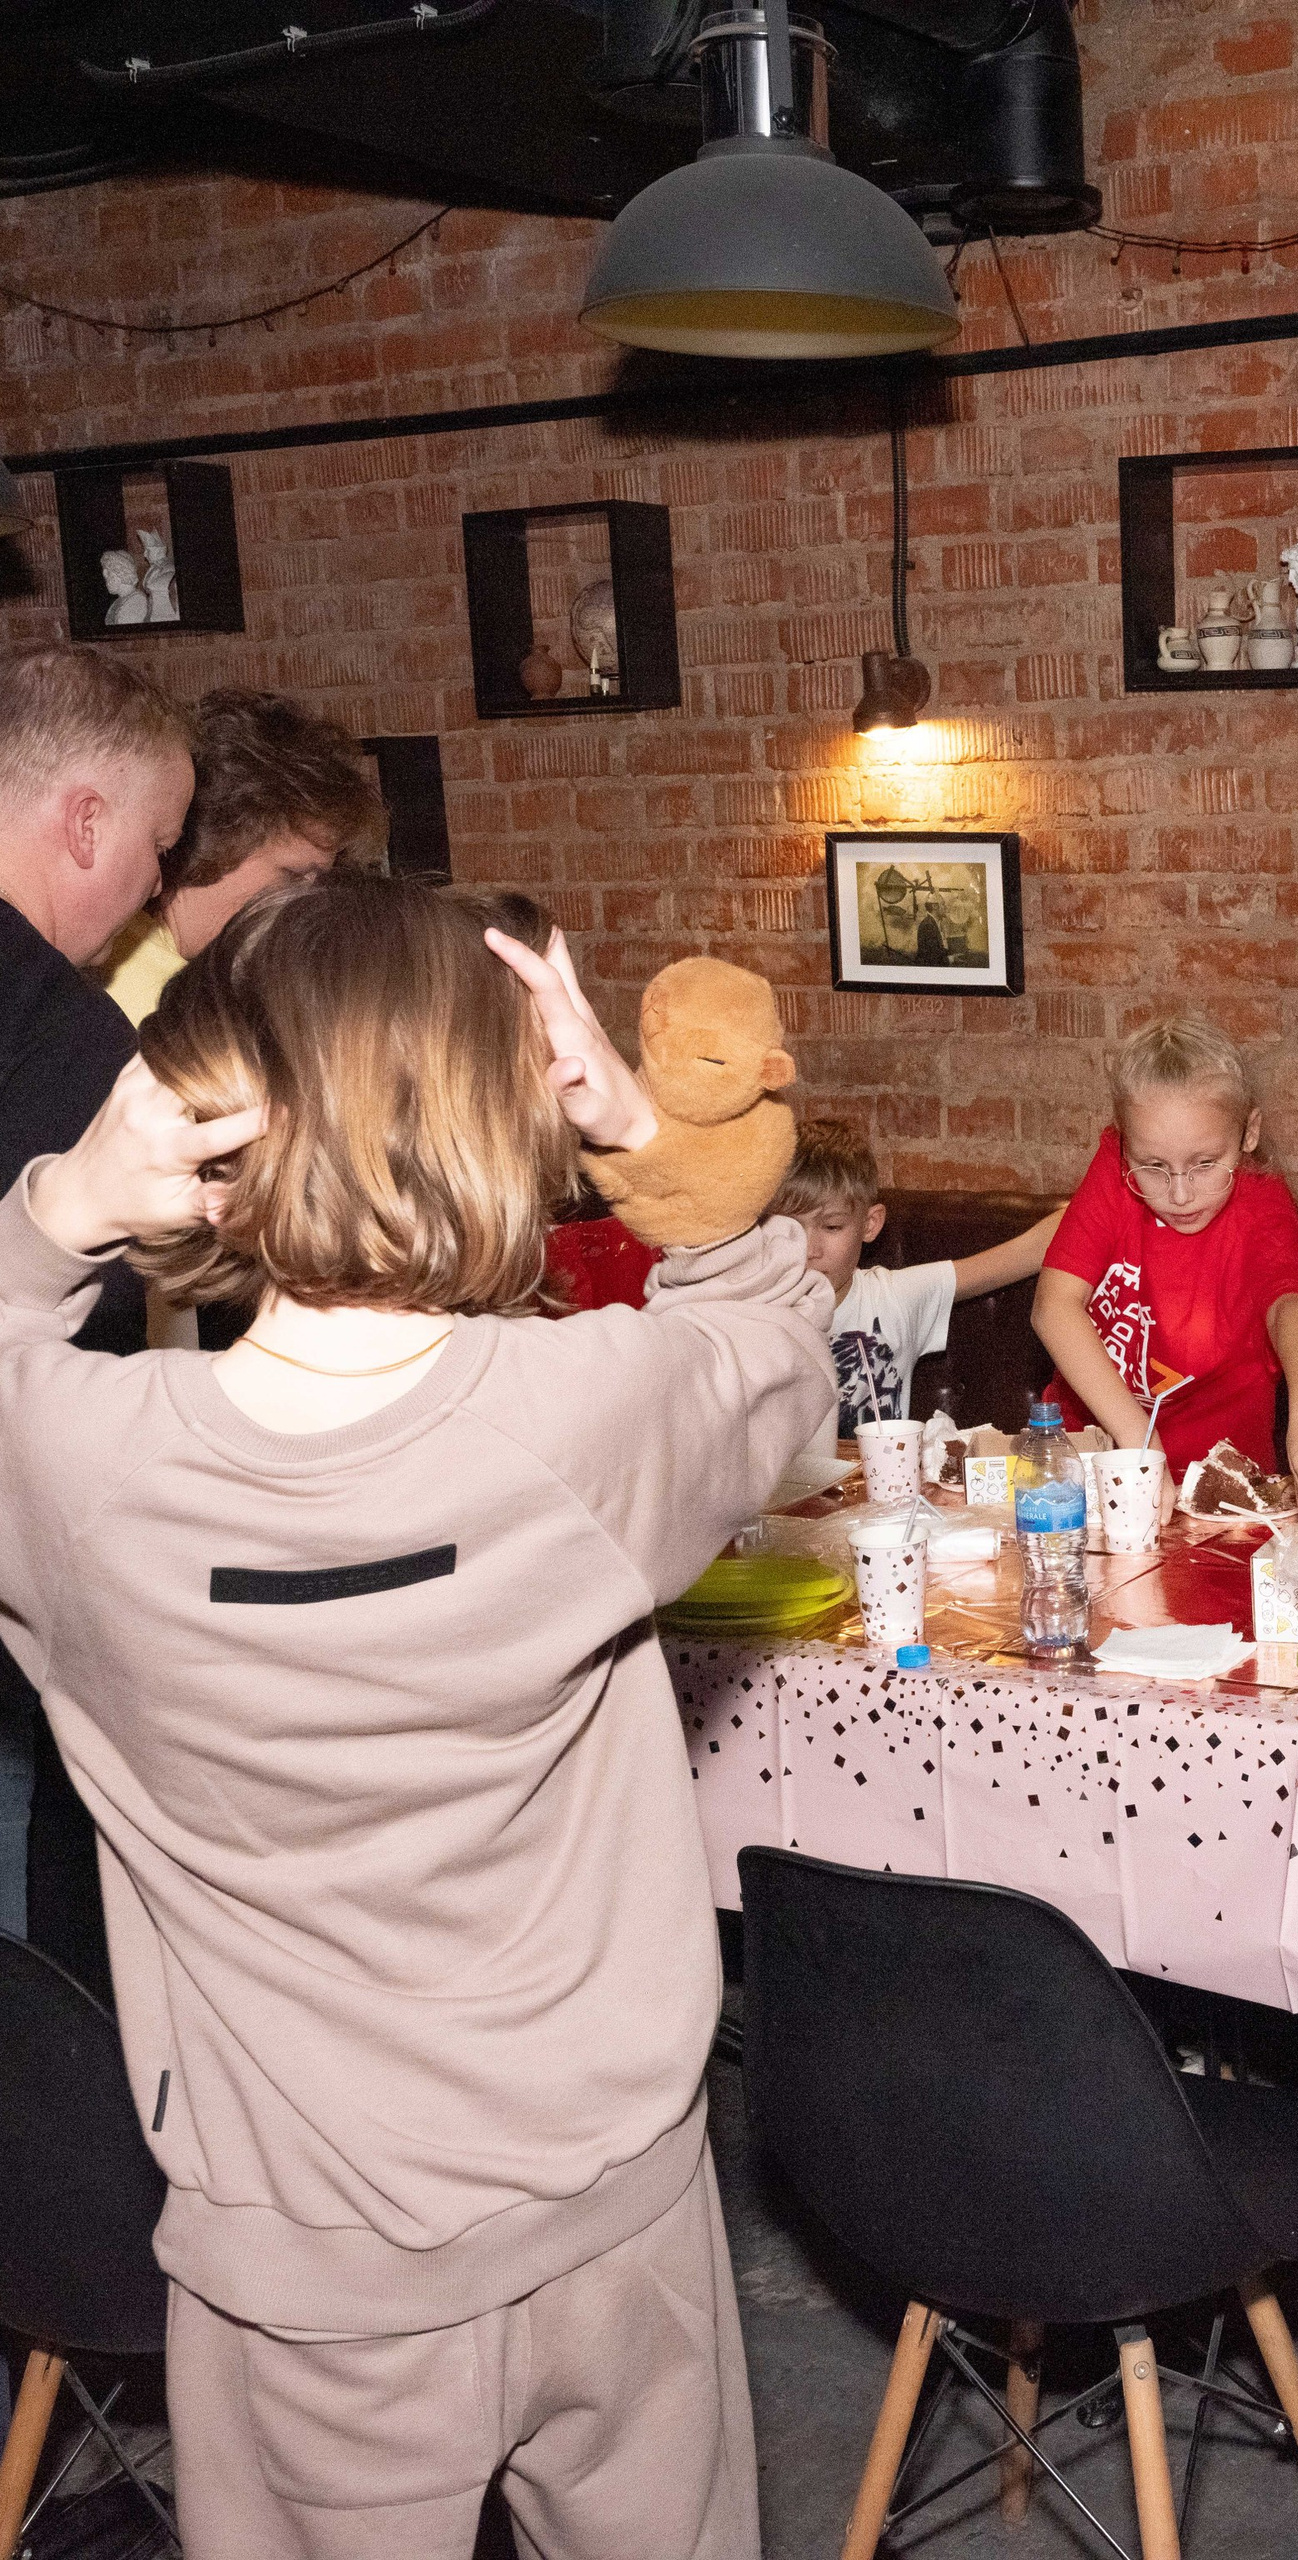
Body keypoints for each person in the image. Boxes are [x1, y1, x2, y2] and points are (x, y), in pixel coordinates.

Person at [0, 871, 833, 2559]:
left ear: (212, 1120)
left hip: (306, 2272)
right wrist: (637, 1132)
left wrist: (65, 1206)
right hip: (612, 2215)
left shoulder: (76, 1468)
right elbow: (777, 1341)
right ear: (511, 1114)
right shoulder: (592, 1416)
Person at [0, 643, 195, 1967]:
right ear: (83, 822)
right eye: (157, 844)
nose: (156, 890)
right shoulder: (68, 1038)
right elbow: (94, 1362)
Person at [1032, 1014, 1298, 1517]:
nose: (1179, 1194)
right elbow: (1054, 1308)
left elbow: (1289, 1309)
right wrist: (1141, 1444)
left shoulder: (1262, 1203)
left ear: (1249, 1132)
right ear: (1125, 1143)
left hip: (1225, 1486)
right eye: (1153, 1167)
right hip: (1097, 1458)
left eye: (1205, 1164)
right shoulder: (1114, 1164)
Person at [100, 687, 383, 1026]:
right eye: (292, 876)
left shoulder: (127, 950)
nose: (305, 906)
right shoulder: (160, 1011)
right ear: (211, 841)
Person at [777, 1116, 1061, 1434]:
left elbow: (1032, 1248)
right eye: (790, 1227)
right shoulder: (748, 1307)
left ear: (870, 1224)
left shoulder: (894, 1297)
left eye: (831, 1227)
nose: (809, 1249)